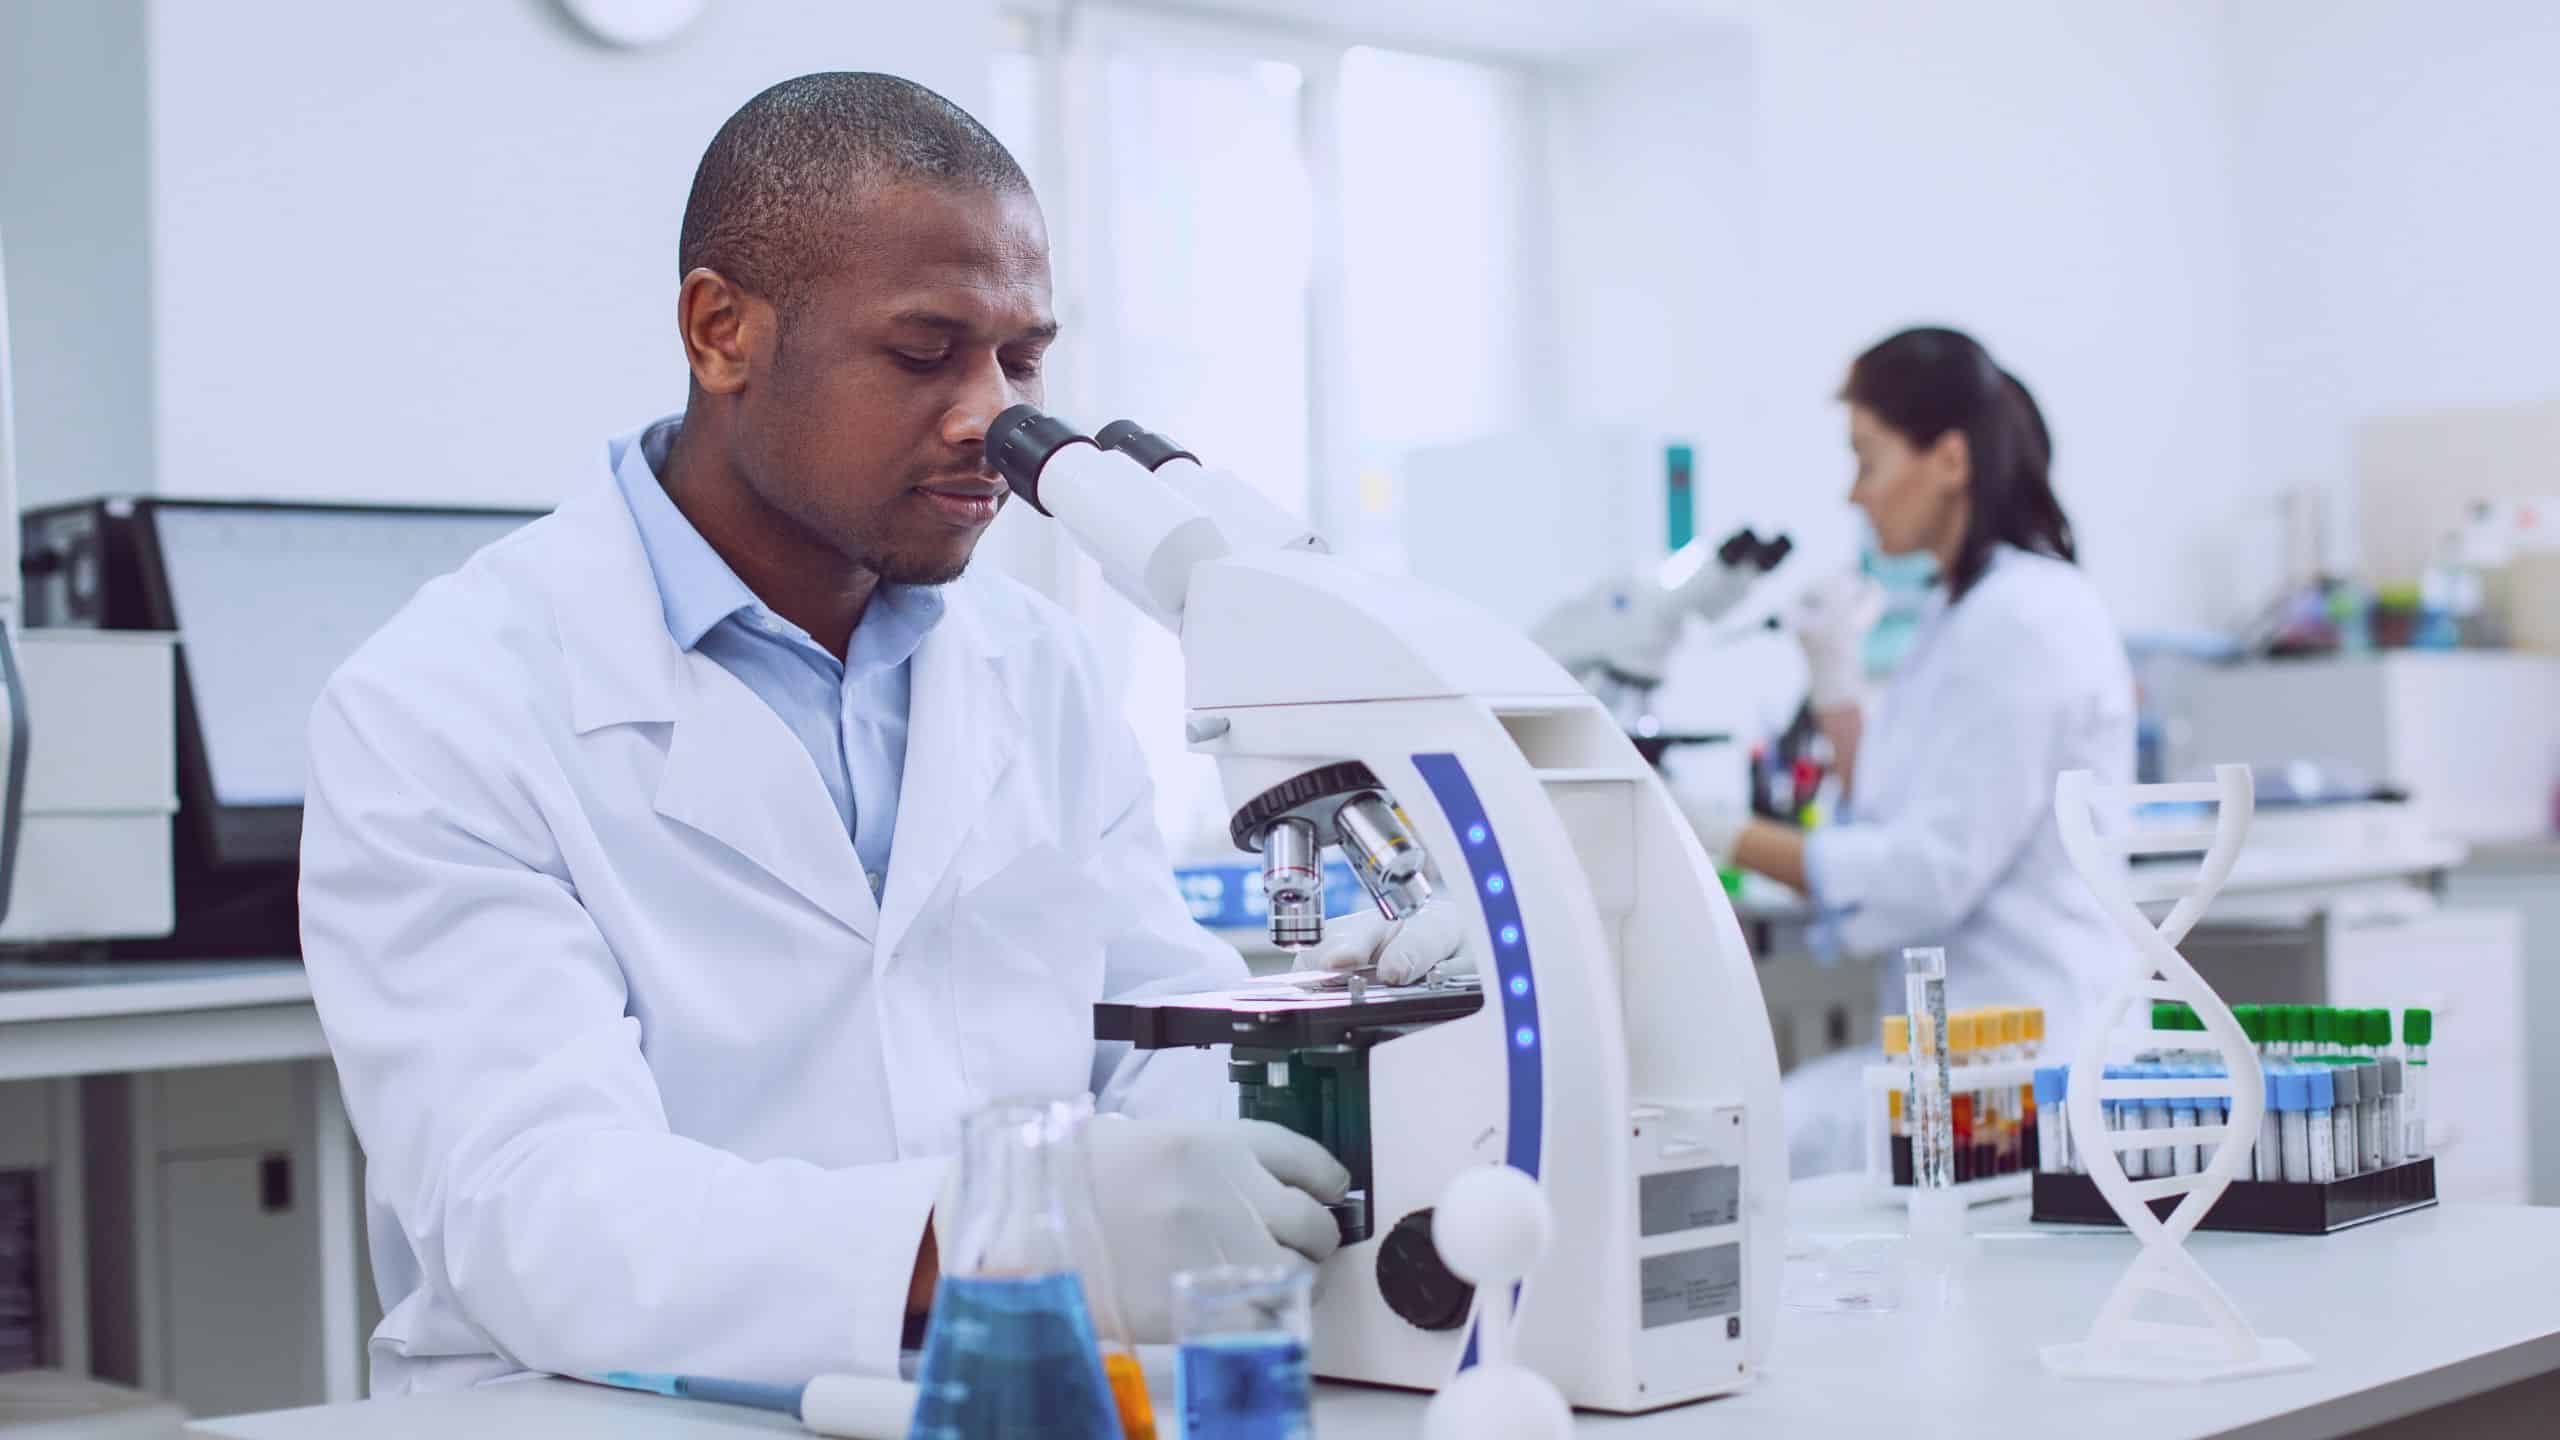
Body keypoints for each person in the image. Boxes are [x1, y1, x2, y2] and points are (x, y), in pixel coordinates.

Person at [299, 73, 1454, 1394]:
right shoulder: (442, 704)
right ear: (719, 329)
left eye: (1023, 359)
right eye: (923, 354)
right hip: (594, 1412)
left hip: (1018, 1395)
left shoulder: (1045, 674)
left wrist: (1324, 1056)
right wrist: (999, 1233)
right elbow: (543, 1218)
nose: (993, 420)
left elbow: (1148, 1074)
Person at [1675, 326, 2134, 1172]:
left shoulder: (2025, 620)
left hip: (2027, 1068)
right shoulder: (1962, 611)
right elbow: (1890, 809)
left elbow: (1929, 871)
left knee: (1738, 1151)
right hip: (1969, 1052)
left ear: (1949, 461)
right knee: (1760, 1134)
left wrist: (1714, 833)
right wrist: (1839, 693)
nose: (1856, 494)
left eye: (1869, 460)